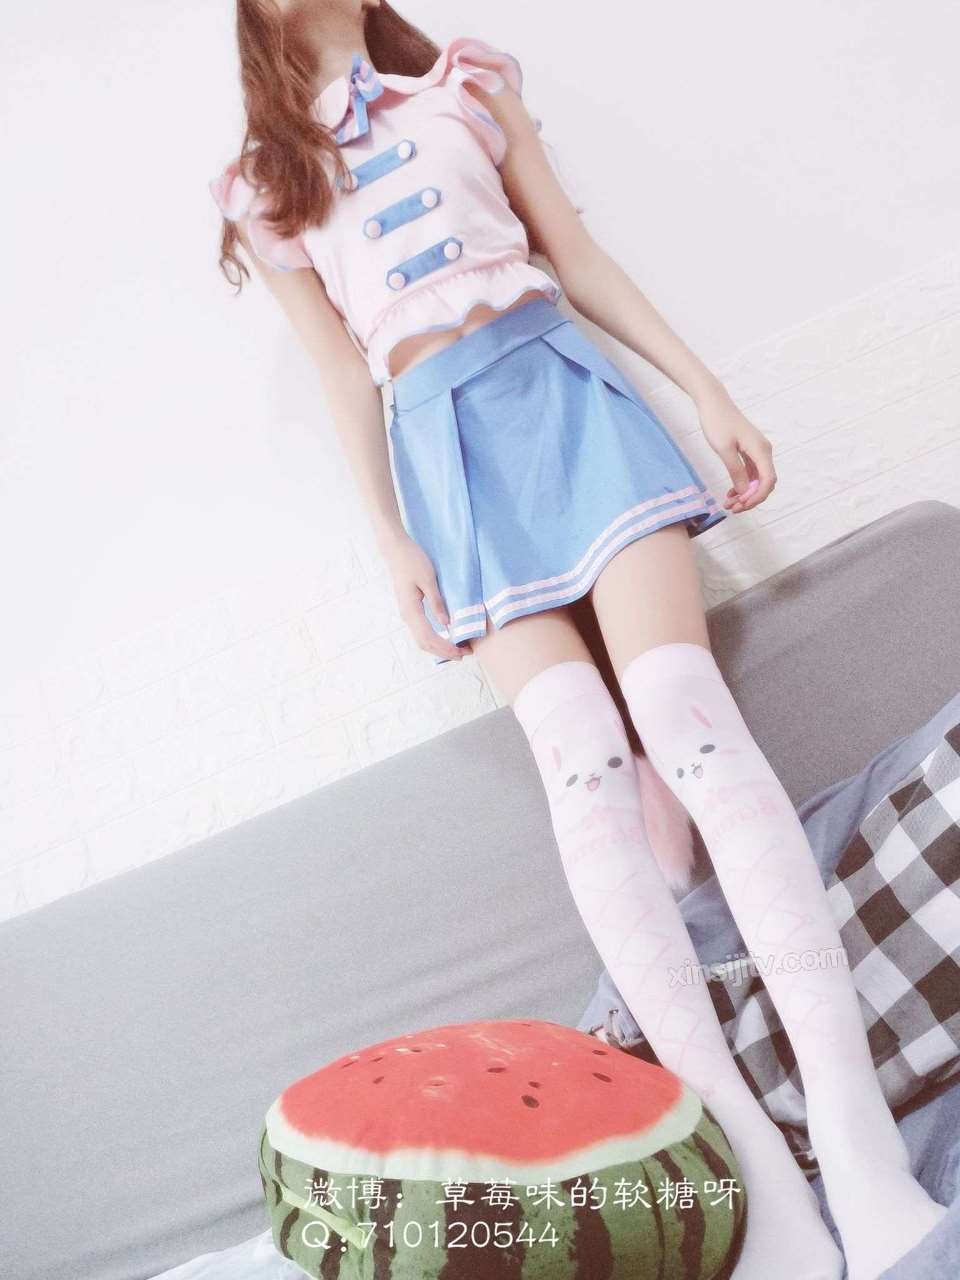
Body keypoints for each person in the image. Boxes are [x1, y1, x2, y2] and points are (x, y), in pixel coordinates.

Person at [208, 4, 947, 1276]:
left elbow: (577, 254)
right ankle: (753, 1168)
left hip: (568, 398)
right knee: (583, 763)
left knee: (689, 726)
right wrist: (392, 540)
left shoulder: (467, 83)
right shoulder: (265, 184)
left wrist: (706, 389)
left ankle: (856, 1135)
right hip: (445, 462)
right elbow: (341, 372)